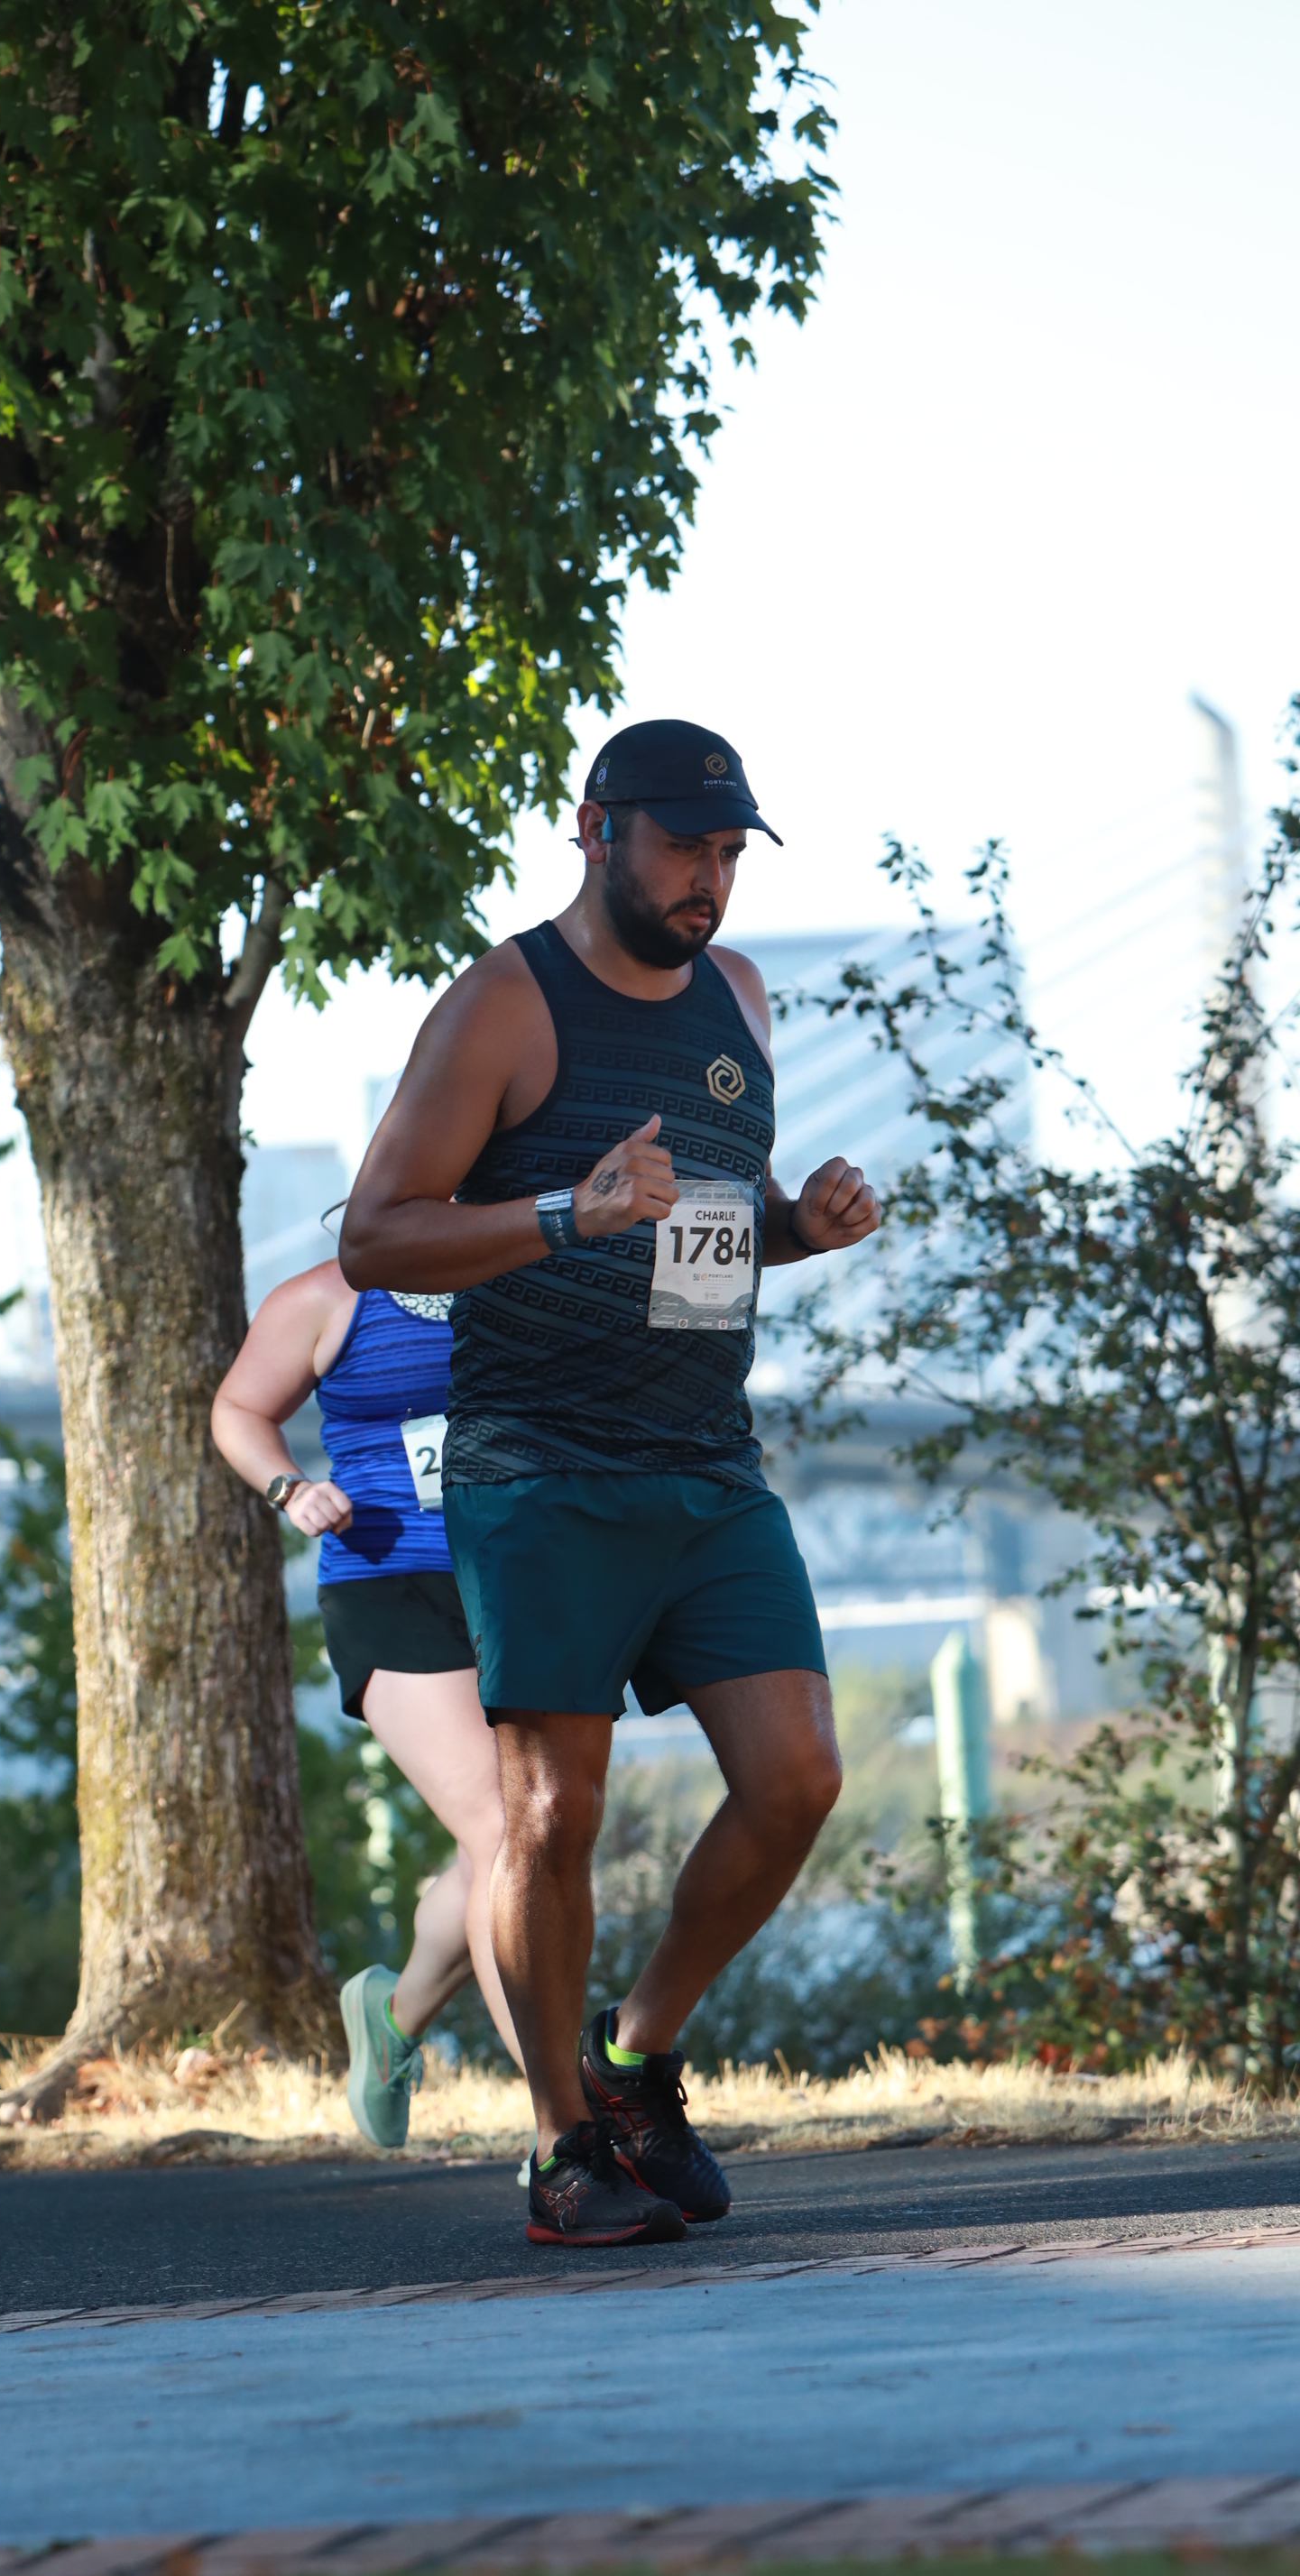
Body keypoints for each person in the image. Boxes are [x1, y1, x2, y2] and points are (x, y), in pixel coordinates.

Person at [340, 719, 880, 2247]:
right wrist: (563, 1215)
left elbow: (713, 1217)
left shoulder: (739, 996)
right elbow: (377, 1235)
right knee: (550, 1811)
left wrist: (800, 1227)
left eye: (729, 853)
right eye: (684, 847)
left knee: (797, 1778)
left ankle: (633, 2059)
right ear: (596, 831)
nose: (710, 879)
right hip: (542, 1467)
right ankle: (559, 2149)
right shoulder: (504, 1003)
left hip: (705, 1462)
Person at [212, 1258, 535, 2158]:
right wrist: (289, 1487)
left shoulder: (528, 1269)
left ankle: (393, 2017)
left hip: (523, 1579)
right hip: (390, 1580)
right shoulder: (324, 1300)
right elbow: (238, 1409)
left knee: (525, 1836)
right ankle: (569, 2120)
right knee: (506, 1829)